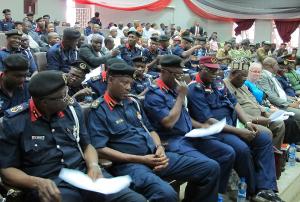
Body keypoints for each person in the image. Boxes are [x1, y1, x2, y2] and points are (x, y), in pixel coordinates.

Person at [0, 70, 146, 202]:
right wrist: (36, 182)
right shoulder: (14, 122)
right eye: (63, 96)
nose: (69, 98)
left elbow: (87, 145)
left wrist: (94, 165)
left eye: (67, 92)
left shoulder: (72, 109)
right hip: (50, 184)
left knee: (135, 199)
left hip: (85, 174)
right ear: (44, 102)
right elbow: (7, 170)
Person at [88, 62, 220, 202]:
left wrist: (159, 148)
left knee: (210, 168)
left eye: (130, 83)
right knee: (167, 194)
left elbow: (150, 130)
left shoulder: (133, 102)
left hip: (155, 156)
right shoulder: (99, 110)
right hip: (129, 165)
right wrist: (141, 159)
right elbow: (100, 149)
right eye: (124, 83)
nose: (128, 87)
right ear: (110, 80)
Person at [187, 56, 283, 201]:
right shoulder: (194, 88)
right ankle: (252, 190)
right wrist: (240, 131)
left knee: (263, 138)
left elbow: (234, 103)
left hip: (232, 124)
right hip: (216, 131)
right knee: (241, 149)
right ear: (201, 68)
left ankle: (266, 188)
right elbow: (209, 120)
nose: (215, 74)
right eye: (211, 71)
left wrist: (248, 123)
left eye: (216, 70)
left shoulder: (218, 82)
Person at [143, 55, 236, 199]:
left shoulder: (173, 88)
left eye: (182, 74)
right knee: (209, 166)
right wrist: (181, 96)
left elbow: (184, 116)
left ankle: (211, 194)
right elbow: (169, 122)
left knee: (227, 153)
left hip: (189, 135)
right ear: (165, 72)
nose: (181, 78)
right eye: (177, 74)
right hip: (172, 141)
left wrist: (202, 126)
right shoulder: (154, 93)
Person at [224, 69, 285, 149]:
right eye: (242, 77)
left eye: (246, 76)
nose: (244, 79)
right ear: (232, 75)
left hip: (259, 114)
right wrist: (256, 119)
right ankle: (265, 155)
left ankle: (275, 152)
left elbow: (254, 101)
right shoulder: (225, 85)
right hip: (245, 120)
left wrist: (265, 111)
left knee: (279, 123)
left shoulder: (242, 85)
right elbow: (235, 112)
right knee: (266, 133)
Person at [256, 57, 300, 128]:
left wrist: (294, 100)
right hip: (278, 106)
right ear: (269, 66)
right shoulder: (263, 76)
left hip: (284, 103)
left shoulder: (272, 76)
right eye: (276, 64)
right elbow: (269, 96)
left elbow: (281, 94)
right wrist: (289, 104)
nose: (278, 67)